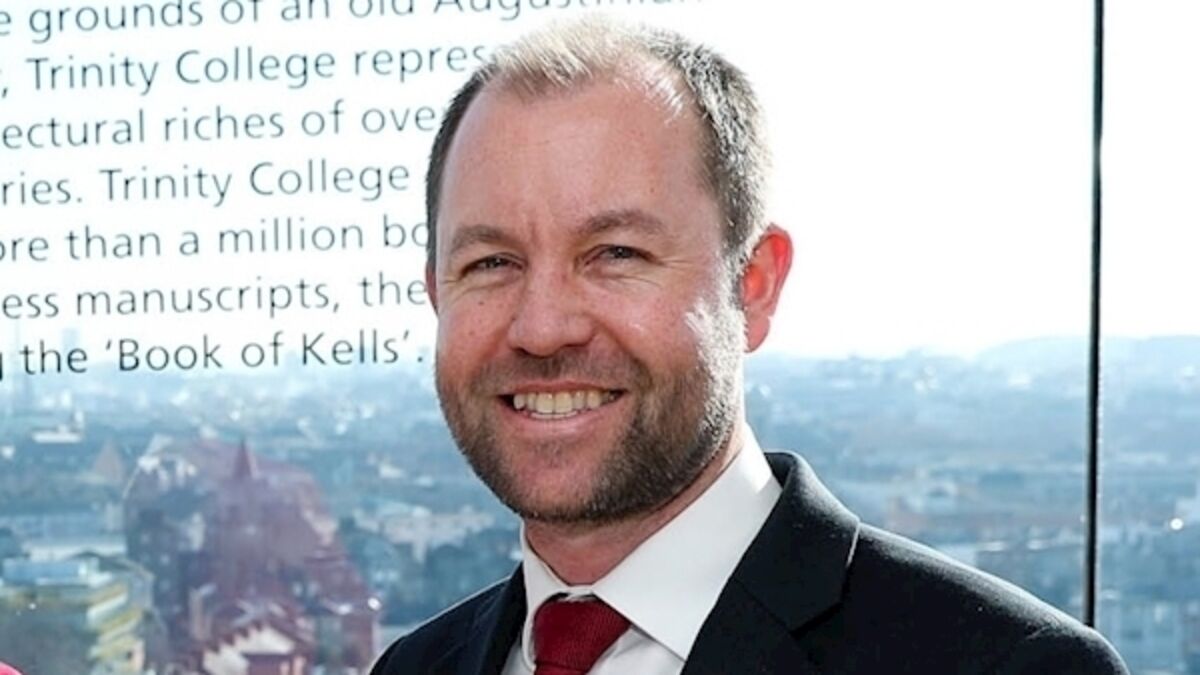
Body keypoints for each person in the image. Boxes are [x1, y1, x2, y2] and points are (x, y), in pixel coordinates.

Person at [371, 16, 1127, 675]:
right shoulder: (415, 666)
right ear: (438, 295)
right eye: (491, 263)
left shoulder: (1010, 665)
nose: (542, 328)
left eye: (616, 254)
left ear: (755, 285)